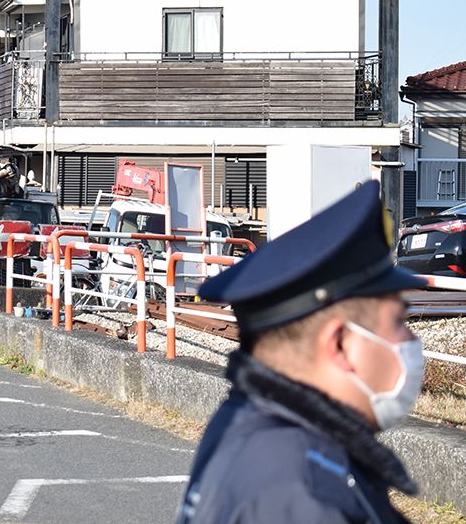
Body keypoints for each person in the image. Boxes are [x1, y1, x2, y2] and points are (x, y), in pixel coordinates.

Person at [177, 181, 426, 524]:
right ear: (340, 344)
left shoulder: (258, 430)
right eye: (399, 322)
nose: (411, 340)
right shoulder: (308, 492)